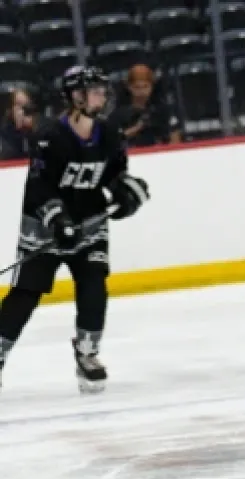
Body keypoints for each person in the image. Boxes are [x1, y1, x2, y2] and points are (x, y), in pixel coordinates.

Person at [0, 66, 150, 393]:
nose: (102, 96)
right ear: (75, 96)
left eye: (101, 90)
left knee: (94, 282)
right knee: (26, 294)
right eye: (94, 90)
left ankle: (87, 354)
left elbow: (115, 174)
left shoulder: (109, 134)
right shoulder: (49, 136)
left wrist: (127, 194)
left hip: (90, 223)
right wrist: (58, 220)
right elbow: (40, 189)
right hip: (43, 227)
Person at [109, 63, 182, 148]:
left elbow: (175, 137)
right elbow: (111, 141)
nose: (142, 92)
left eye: (145, 87)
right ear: (129, 87)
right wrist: (136, 128)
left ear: (152, 86)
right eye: (137, 87)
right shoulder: (118, 114)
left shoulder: (163, 110)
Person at [0, 87, 41, 161]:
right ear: (10, 110)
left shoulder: (40, 131)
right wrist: (18, 129)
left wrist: (32, 131)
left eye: (27, 105)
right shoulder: (3, 135)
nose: (23, 110)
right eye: (19, 105)